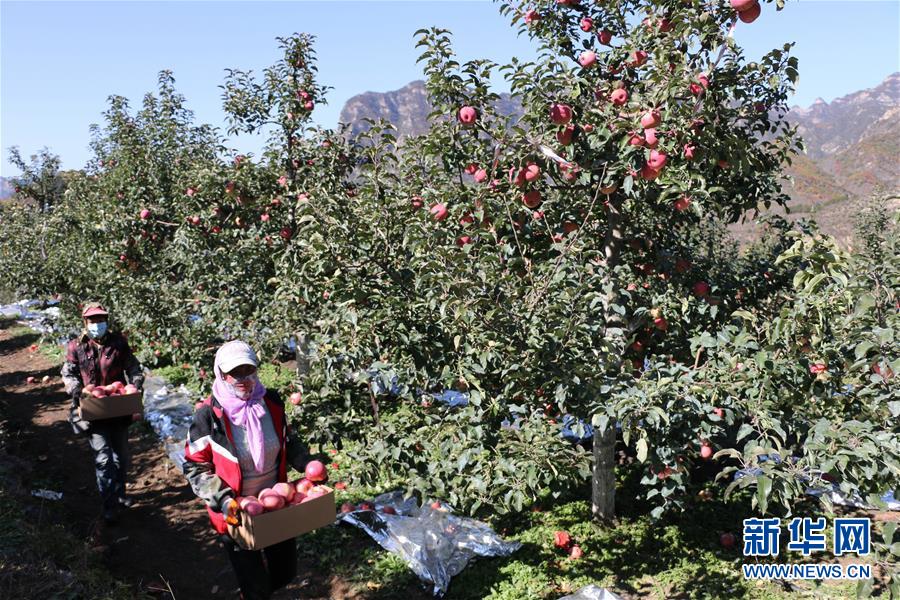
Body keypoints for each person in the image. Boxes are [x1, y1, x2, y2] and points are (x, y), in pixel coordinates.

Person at [183, 340, 322, 600]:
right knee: (254, 585)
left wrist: (307, 466)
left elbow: (288, 441)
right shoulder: (208, 417)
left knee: (285, 572)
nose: (243, 378)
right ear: (221, 374)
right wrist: (222, 500)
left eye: (249, 370)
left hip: (276, 505)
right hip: (235, 511)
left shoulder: (271, 402)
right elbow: (194, 465)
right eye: (235, 372)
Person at [61, 302, 144, 523]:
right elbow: (68, 374)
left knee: (121, 457)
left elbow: (133, 367)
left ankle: (120, 494)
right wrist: (77, 391)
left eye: (100, 319)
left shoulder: (118, 343)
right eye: (92, 320)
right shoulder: (76, 346)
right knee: (103, 458)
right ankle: (109, 503)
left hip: (118, 408)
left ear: (106, 320)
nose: (97, 323)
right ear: (85, 322)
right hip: (94, 410)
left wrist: (135, 383)